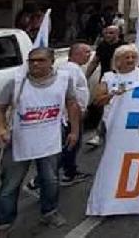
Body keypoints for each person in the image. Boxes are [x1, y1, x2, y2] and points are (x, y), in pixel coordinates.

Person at [0, 47, 81, 235]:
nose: (35, 64)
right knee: (10, 185)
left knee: (50, 180)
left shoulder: (64, 80)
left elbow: (72, 104)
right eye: (31, 60)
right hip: (19, 141)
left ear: (51, 62)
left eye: (40, 60)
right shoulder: (16, 82)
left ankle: (49, 212)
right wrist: (0, 128)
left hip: (49, 140)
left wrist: (74, 131)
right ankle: (4, 223)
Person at [92, 44, 139, 145]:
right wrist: (112, 94)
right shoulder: (108, 77)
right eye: (127, 57)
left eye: (133, 57)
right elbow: (97, 101)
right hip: (114, 121)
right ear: (118, 60)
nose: (131, 60)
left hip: (137, 120)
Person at [55, 43, 92, 185]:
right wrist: (75, 113)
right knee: (70, 145)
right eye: (86, 52)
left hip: (73, 114)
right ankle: (39, 181)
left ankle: (70, 171)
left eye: (89, 52)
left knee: (72, 146)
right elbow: (68, 94)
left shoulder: (73, 68)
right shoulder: (71, 69)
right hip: (71, 116)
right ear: (75, 54)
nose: (88, 55)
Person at [84, 26, 126, 147]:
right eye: (106, 33)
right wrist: (85, 77)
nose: (107, 35)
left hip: (121, 79)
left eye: (111, 33)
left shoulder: (123, 46)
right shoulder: (102, 46)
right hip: (106, 79)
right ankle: (98, 134)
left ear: (118, 33)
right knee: (104, 107)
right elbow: (95, 61)